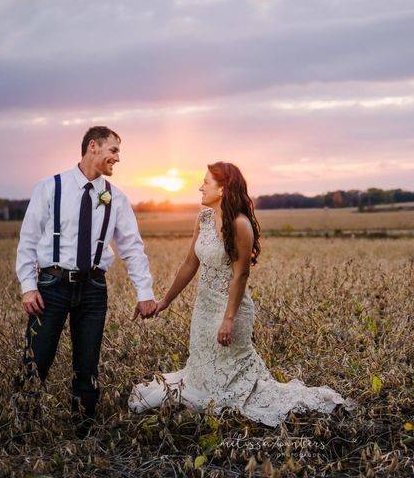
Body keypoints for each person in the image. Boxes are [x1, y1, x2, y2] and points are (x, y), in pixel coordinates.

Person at [128, 162, 354, 427]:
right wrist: (164, 301)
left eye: (206, 182)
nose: (200, 187)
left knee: (231, 377)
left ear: (222, 189)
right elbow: (190, 263)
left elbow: (241, 275)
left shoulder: (240, 225)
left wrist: (228, 319)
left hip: (231, 308)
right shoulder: (203, 219)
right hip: (204, 307)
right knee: (201, 370)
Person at [14, 126, 158, 438]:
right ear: (93, 147)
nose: (117, 158)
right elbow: (28, 239)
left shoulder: (116, 198)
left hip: (94, 289)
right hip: (51, 286)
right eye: (114, 150)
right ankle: (20, 432)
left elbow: (132, 247)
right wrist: (28, 285)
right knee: (35, 360)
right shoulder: (50, 187)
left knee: (87, 365)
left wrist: (144, 292)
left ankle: (84, 434)